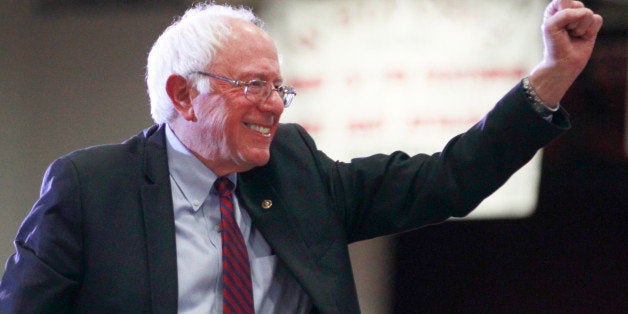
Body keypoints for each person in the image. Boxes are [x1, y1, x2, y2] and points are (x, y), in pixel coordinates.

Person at [0, 0, 602, 313]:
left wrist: (549, 79)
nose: (274, 106)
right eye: (253, 85)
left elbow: (446, 180)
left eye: (278, 88)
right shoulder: (91, 188)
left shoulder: (294, 170)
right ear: (184, 95)